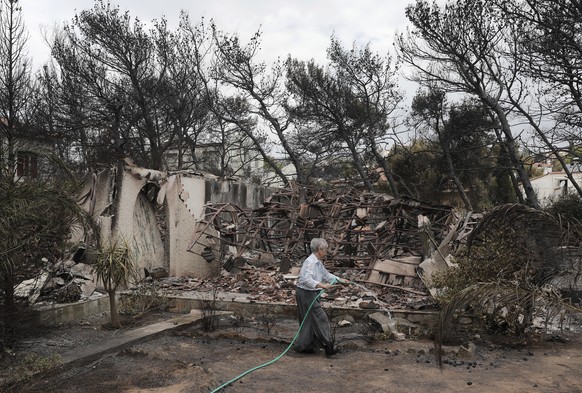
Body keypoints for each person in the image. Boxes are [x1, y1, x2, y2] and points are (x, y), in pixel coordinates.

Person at [292, 238, 349, 357]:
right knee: (321, 317)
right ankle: (328, 346)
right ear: (320, 250)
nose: (327, 252)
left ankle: (305, 346)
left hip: (311, 293)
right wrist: (322, 285)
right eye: (325, 249)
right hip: (305, 293)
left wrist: (339, 280)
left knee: (309, 321)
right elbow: (305, 279)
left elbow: (325, 275)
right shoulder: (310, 262)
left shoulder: (318, 262)